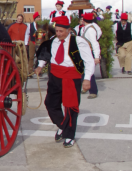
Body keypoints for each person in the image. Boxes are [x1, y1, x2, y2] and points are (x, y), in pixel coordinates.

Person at [35, 16, 94, 148]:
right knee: (50, 104)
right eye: (56, 31)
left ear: (68, 30)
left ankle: (69, 135)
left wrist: (87, 79)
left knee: (70, 107)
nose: (58, 34)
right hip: (55, 76)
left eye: (61, 31)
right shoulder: (53, 41)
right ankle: (62, 125)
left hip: (71, 77)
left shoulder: (78, 41)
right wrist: (40, 65)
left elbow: (89, 61)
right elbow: (46, 53)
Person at [81, 13, 101, 99]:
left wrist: (96, 56)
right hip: (84, 53)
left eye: (82, 19)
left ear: (85, 20)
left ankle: (93, 91)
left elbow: (94, 43)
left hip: (89, 53)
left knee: (90, 72)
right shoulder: (84, 28)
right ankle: (85, 87)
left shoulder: (90, 30)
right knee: (82, 71)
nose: (81, 20)